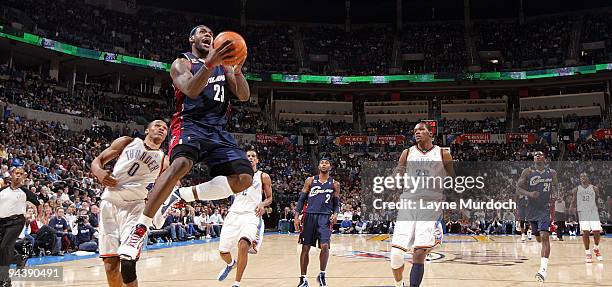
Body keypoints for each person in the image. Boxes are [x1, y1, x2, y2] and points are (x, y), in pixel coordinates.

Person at [119, 24, 253, 261]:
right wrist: (210, 64)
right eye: (202, 32)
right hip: (189, 124)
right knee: (181, 164)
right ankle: (139, 230)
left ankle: (182, 195)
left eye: (211, 34)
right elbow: (191, 90)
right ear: (191, 38)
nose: (208, 35)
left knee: (243, 179)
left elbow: (243, 96)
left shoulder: (224, 67)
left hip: (218, 130)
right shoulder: (182, 62)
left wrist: (238, 71)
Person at [90, 120, 169, 287]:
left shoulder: (164, 159)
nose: (161, 129)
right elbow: (98, 160)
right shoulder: (128, 142)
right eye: (157, 126)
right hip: (109, 203)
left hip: (136, 207)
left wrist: (159, 210)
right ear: (147, 130)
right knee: (111, 268)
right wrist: (99, 172)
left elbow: (167, 187)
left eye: (165, 128)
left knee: (127, 262)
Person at [390, 122, 453, 287]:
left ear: (431, 133)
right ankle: (399, 285)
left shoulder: (443, 153)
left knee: (419, 253)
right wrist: (398, 177)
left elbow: (453, 178)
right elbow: (398, 169)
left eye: (421, 130)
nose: (417, 132)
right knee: (396, 254)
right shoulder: (407, 152)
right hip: (408, 205)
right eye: (415, 131)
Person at [215, 150, 273, 287]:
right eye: (248, 156)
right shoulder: (237, 175)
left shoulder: (263, 176)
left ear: (257, 160)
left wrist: (262, 203)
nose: (251, 158)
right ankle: (230, 264)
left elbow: (270, 197)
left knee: (243, 245)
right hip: (233, 214)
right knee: (223, 251)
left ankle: (236, 283)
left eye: (253, 156)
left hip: (251, 215)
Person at [294, 157, 340, 287]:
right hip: (309, 216)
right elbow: (301, 199)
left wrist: (336, 214)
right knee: (305, 247)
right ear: (319, 166)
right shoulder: (310, 180)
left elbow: (336, 204)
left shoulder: (335, 184)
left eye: (327, 163)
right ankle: (303, 278)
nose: (324, 165)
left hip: (325, 218)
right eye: (322, 163)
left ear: (330, 167)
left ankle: (322, 274)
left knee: (325, 246)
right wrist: (297, 216)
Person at [516, 151, 558, 282]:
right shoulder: (527, 172)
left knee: (545, 236)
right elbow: (518, 189)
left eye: (540, 154)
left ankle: (543, 270)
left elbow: (555, 186)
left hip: (544, 208)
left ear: (544, 157)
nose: (537, 156)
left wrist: (555, 194)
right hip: (531, 209)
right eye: (535, 155)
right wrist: (529, 194)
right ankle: (535, 236)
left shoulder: (552, 173)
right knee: (538, 237)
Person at [0, 167, 40, 287]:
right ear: (12, 174)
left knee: (4, 247)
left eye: (21, 174)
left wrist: (41, 216)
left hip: (16, 222)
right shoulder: (2, 191)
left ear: (24, 177)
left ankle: (5, 280)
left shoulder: (25, 192)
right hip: (2, 222)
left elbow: (38, 204)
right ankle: (19, 259)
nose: (18, 176)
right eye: (16, 173)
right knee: (3, 250)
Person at [570, 173, 603, 263]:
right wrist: (571, 211)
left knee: (597, 232)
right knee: (586, 232)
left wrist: (599, 208)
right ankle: (588, 253)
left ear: (588, 178)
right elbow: (573, 201)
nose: (583, 178)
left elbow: (598, 200)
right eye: (581, 177)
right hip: (583, 212)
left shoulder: (594, 188)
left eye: (585, 176)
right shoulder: (576, 189)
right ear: (579, 179)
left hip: (593, 212)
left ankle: (596, 248)